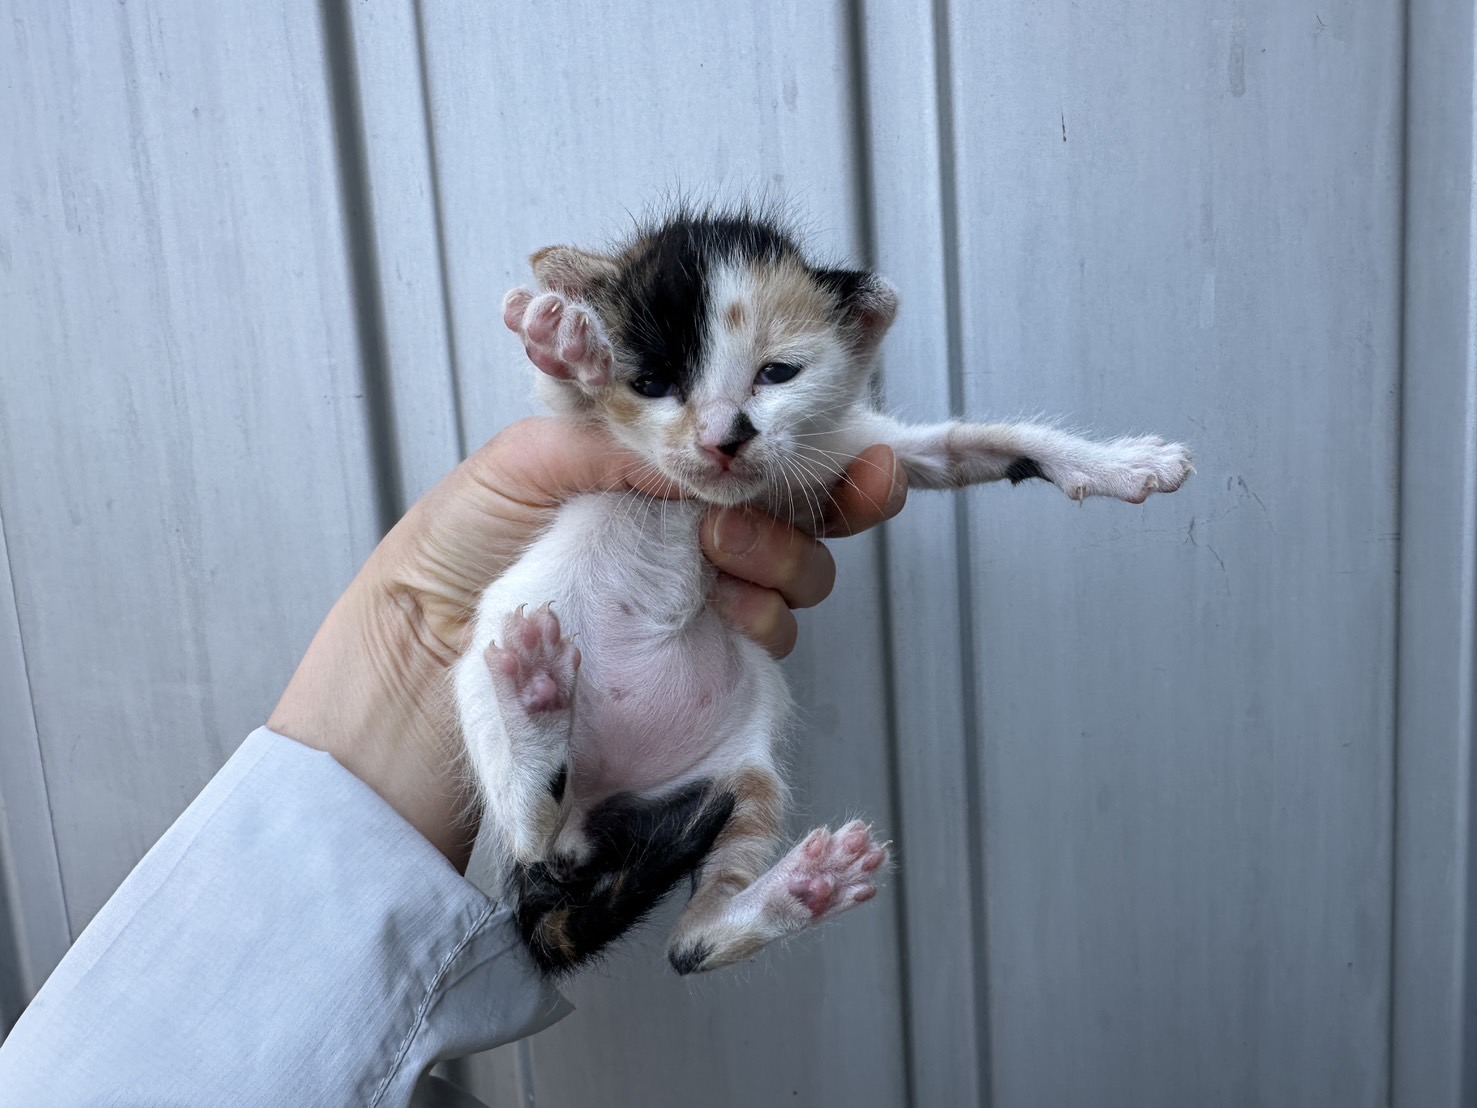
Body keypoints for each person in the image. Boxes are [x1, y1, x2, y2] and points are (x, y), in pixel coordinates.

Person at [0, 417, 907, 1107]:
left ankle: (712, 906)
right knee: (699, 775)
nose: (723, 416)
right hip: (574, 735)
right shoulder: (648, 414)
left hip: (603, 725)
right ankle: (602, 814)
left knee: (737, 772)